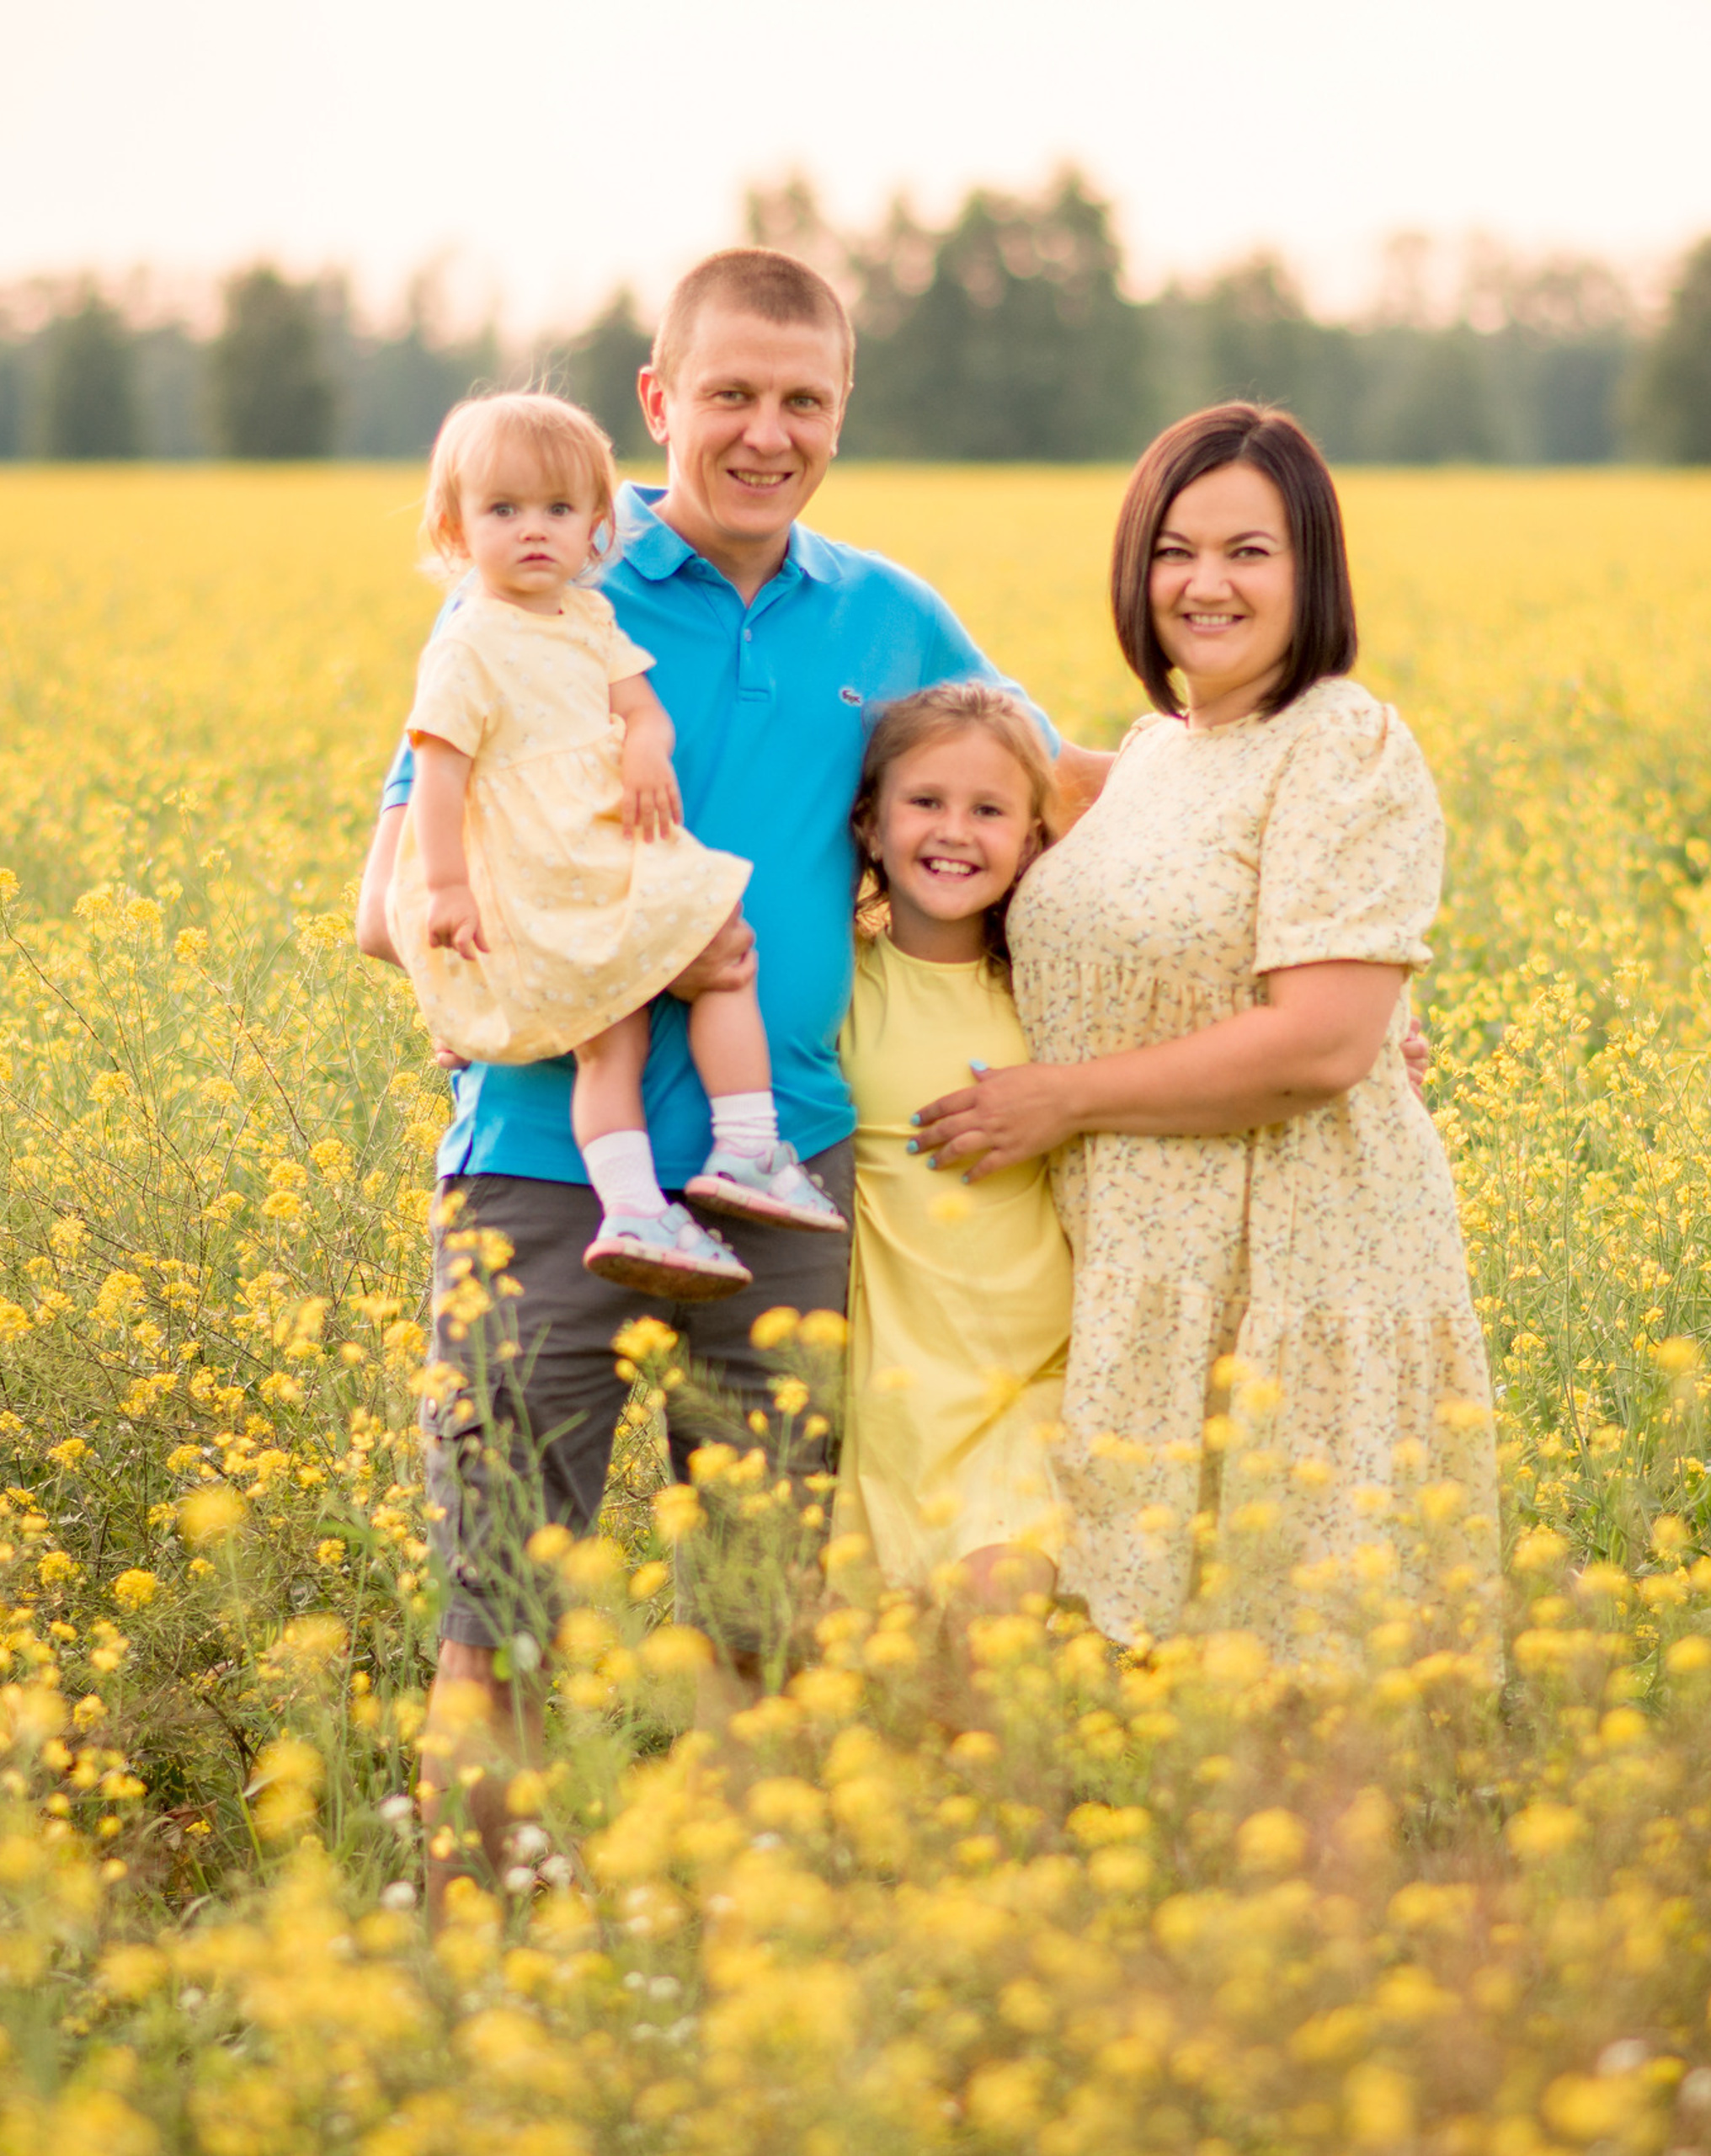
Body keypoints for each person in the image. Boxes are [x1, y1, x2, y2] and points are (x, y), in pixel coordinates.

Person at [354, 248, 1111, 1904]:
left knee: (758, 1621)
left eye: (802, 401)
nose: (764, 434)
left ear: (842, 412)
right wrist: (527, 977)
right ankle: (474, 1950)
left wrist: (1314, 941)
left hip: (788, 1186)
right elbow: (389, 898)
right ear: (656, 400)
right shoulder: (535, 583)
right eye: (729, 396)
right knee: (499, 1609)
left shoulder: (887, 615)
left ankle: (730, 1953)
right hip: (546, 1168)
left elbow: (1060, 794)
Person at [909, 404, 1497, 1662]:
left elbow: (1323, 1046)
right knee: (1153, 1689)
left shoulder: (1342, 741)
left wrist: (1060, 1097)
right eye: (1175, 549)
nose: (1206, 583)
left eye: (1250, 551)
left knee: (1293, 1676)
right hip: (1141, 1279)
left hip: (1287, 1272)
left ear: (1312, 571)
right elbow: (943, 816)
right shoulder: (1159, 752)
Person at [388, 391, 846, 1301]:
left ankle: (730, 1156)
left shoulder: (589, 620)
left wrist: (643, 751)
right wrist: (446, 889)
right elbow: (436, 775)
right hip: (547, 875)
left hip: (605, 854)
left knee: (705, 969)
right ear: (454, 526)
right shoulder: (468, 640)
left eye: (560, 511)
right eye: (504, 510)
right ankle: (657, 1193)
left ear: (598, 528)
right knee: (644, 1014)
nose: (534, 532)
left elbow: (641, 708)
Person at [830, 684, 1069, 1627]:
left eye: (989, 810)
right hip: (888, 1403)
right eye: (926, 802)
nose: (955, 831)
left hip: (1032, 1385)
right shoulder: (834, 987)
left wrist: (1384, 1050)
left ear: (1032, 840)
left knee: (991, 1625)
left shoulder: (1054, 991)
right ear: (870, 824)